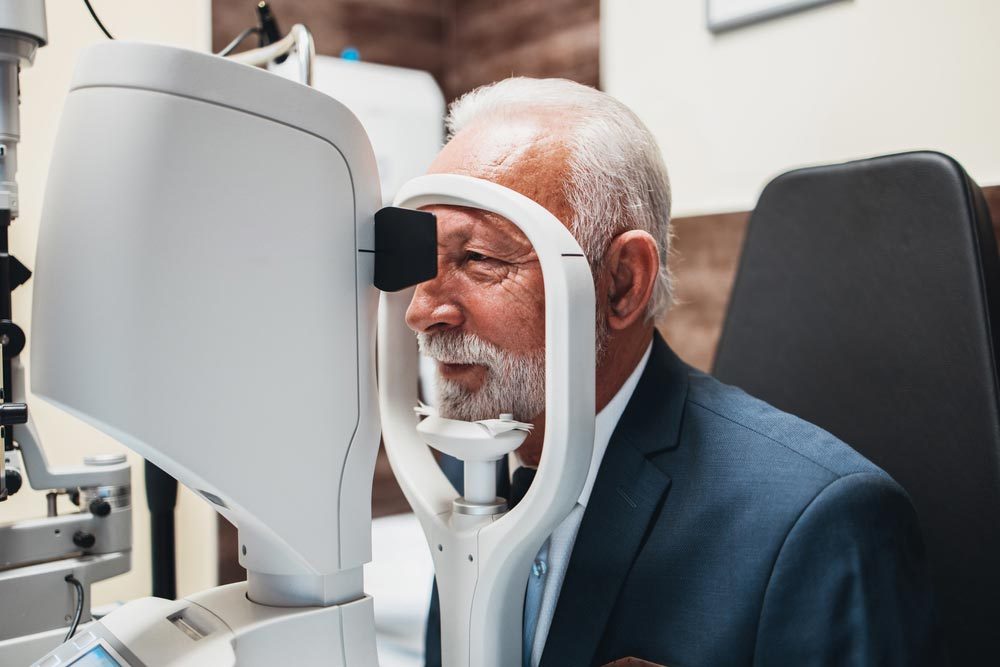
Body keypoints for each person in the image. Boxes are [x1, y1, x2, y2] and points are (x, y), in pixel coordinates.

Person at [408, 77, 944, 667]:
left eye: (479, 258)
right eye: (423, 266)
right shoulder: (470, 470)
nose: (422, 312)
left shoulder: (818, 526)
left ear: (621, 283)